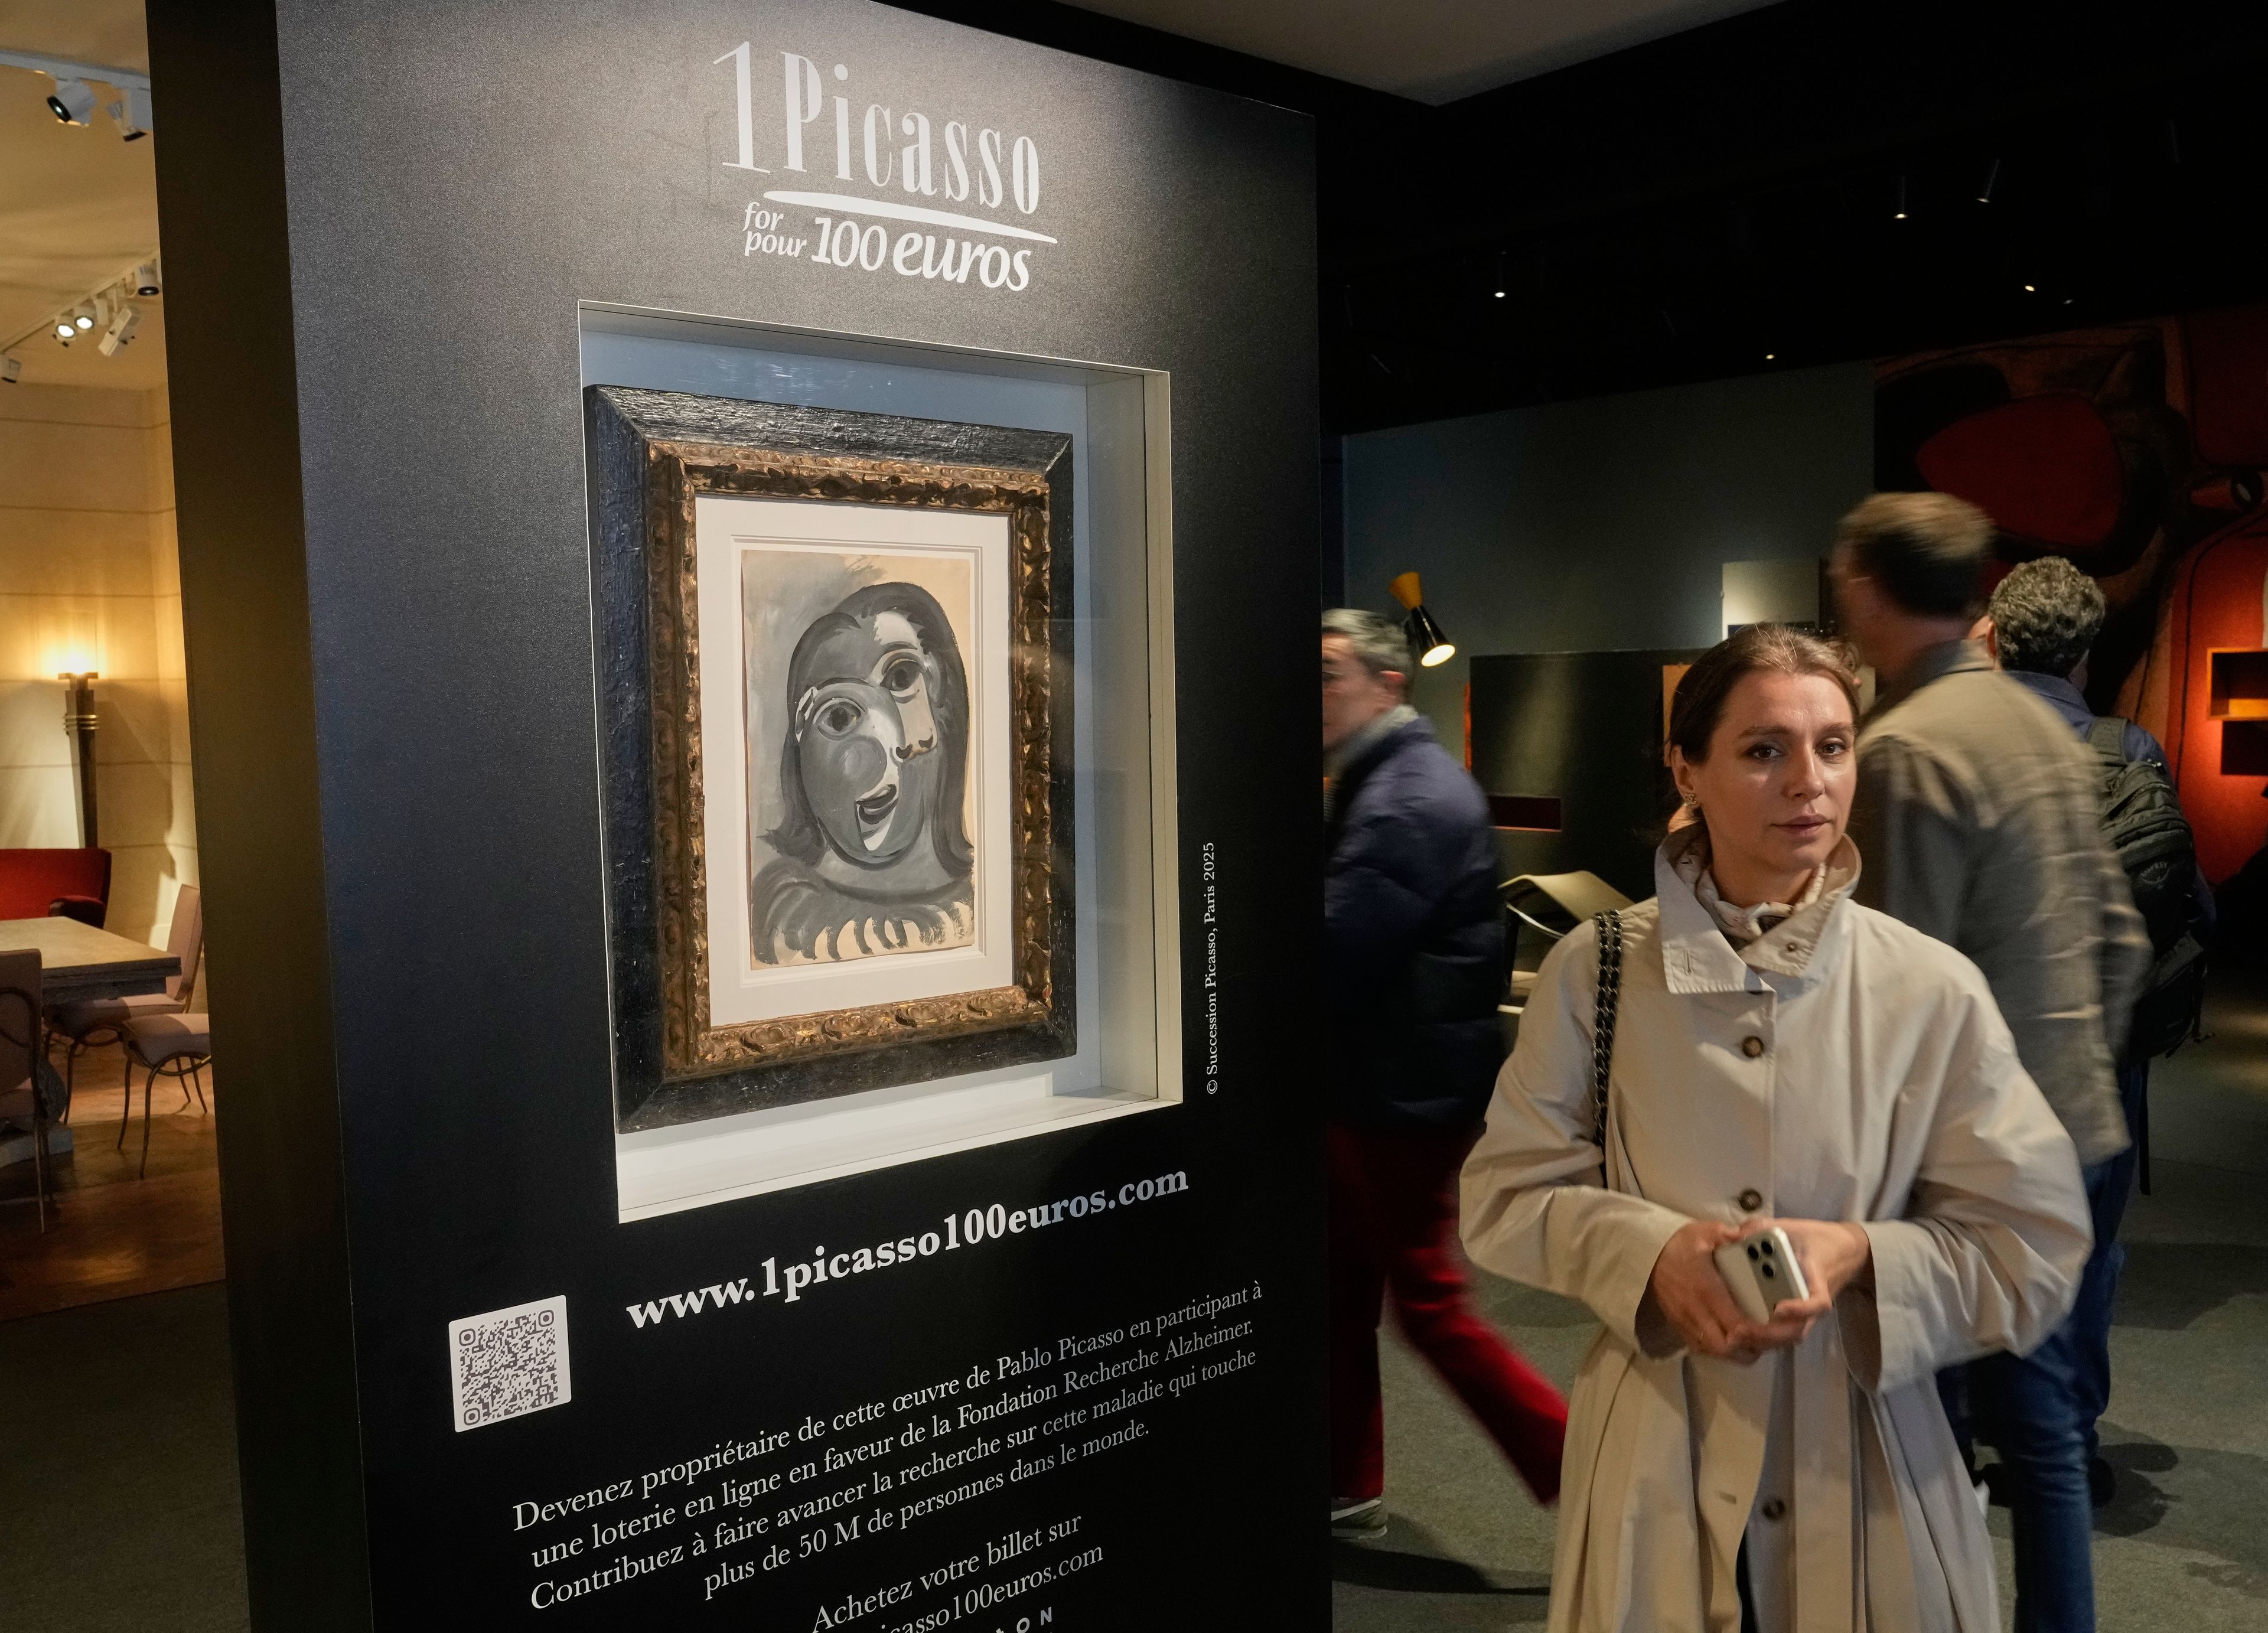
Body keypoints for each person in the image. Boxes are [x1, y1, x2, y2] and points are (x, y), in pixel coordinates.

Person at [1462, 624, 2090, 1631]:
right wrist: (1651, 1256)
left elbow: (2035, 1238)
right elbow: (1504, 1193)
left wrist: (1862, 1256)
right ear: (1687, 768)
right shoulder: (1598, 970)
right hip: (1657, 1447)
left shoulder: (1929, 987)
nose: (1809, 781)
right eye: (1764, 749)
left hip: (1869, 1458)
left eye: (1833, 746)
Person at [1832, 494, 2150, 1633]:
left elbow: (1896, 992)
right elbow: (2121, 939)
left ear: (1867, 586)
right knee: (2047, 1427)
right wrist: (2071, 1074)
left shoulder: (1905, 750)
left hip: (1973, 1157)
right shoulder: (2043, 725)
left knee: (1935, 1420)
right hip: (2079, 1126)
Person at [1321, 607, 1566, 1539]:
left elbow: (1336, 951)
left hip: (1399, 1095)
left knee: (1428, 1306)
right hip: (1384, 1084)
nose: (1314, 695)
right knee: (1343, 1289)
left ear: (1388, 683)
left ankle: (1588, 1466)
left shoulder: (1405, 798)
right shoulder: (1390, 779)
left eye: (1330, 674)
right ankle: (1347, 1478)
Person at [1985, 555, 2212, 1504]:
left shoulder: (1960, 746)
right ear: (2086, 653)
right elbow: (2191, 901)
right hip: (2098, 1049)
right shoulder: (2130, 750)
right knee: (2083, 1250)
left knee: (1970, 1237)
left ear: (1995, 642)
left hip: (1979, 1049)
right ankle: (2063, 1446)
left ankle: (1961, 1427)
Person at [754, 581, 975, 963]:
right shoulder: (781, 915)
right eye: (840, 716)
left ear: (939, 687)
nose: (880, 741)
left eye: (901, 680)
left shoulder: (996, 902)